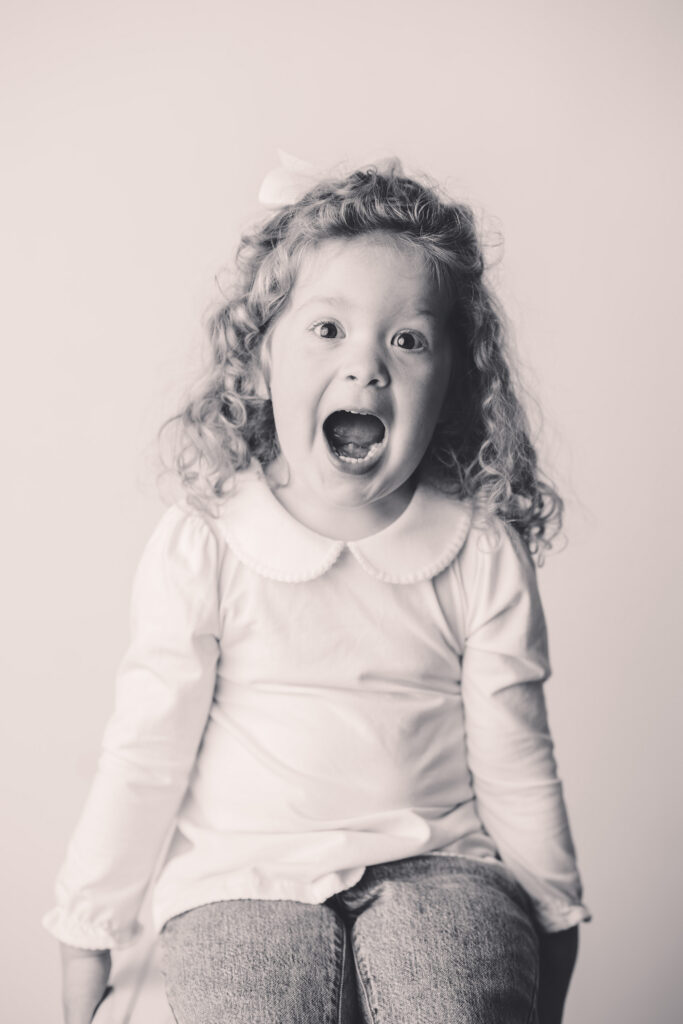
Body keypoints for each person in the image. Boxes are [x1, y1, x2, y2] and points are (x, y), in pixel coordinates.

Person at [45, 158, 591, 1024]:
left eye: (406, 340)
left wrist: (554, 917)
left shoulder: (475, 550)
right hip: (241, 874)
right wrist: (86, 924)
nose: (366, 366)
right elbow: (146, 752)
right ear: (259, 362)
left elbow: (516, 760)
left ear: (453, 383)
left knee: (456, 991)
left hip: (440, 865)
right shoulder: (210, 539)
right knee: (243, 1001)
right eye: (327, 330)